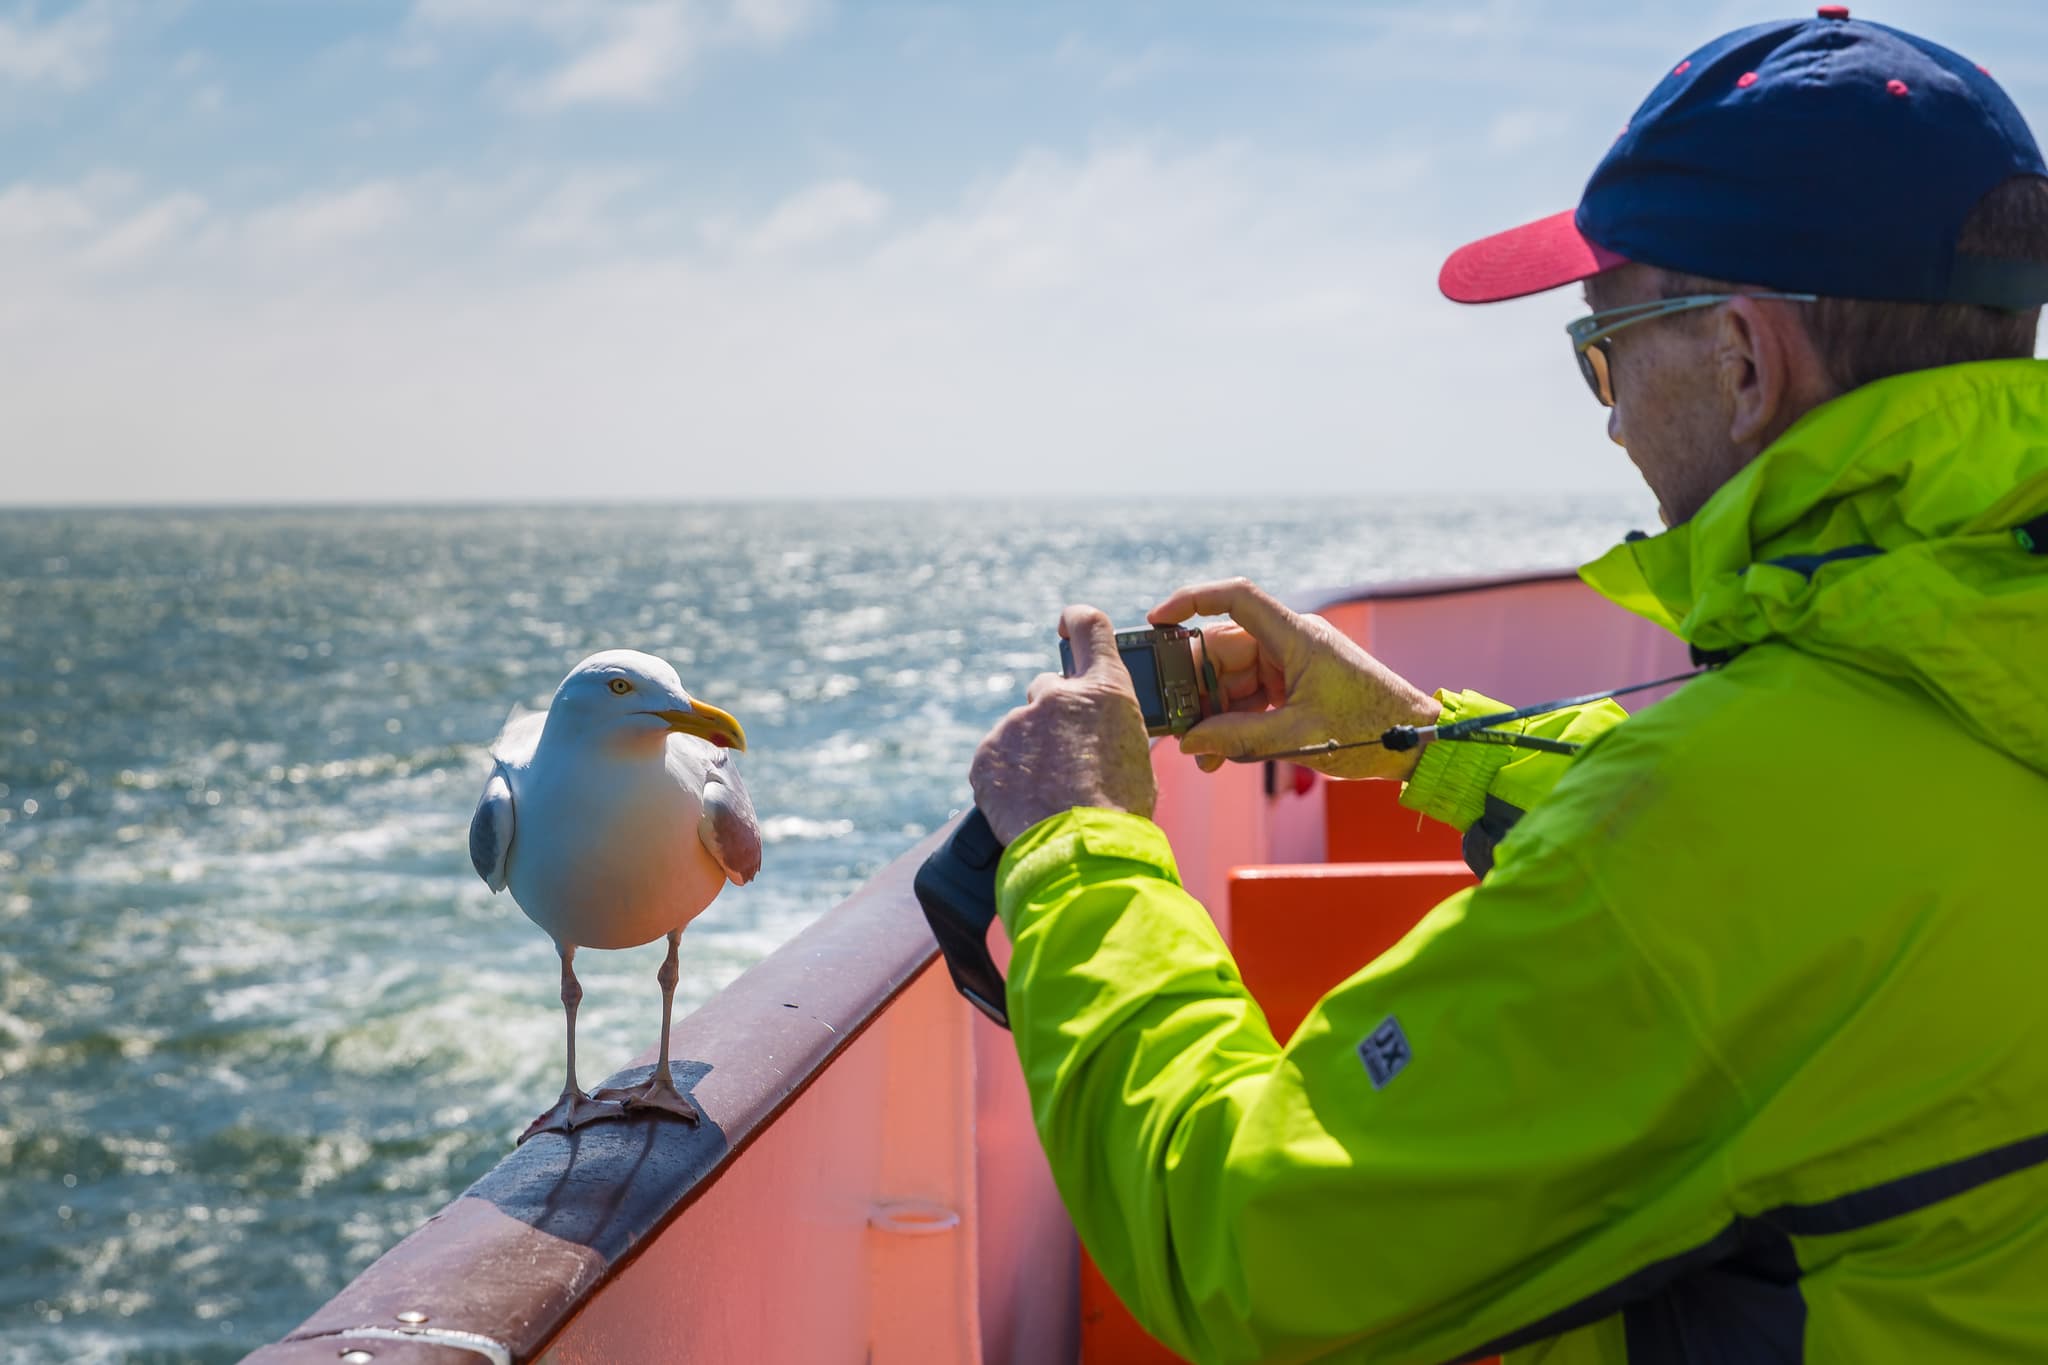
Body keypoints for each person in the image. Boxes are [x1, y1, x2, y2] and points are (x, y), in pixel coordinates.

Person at [967, 11, 2048, 1363]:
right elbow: (1855, 808)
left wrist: (1080, 850)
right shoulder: (1981, 668)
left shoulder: (1712, 836)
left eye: (1606, 347)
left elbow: (1244, 1241)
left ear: (1746, 359)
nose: (1607, 414)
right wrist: (1417, 736)